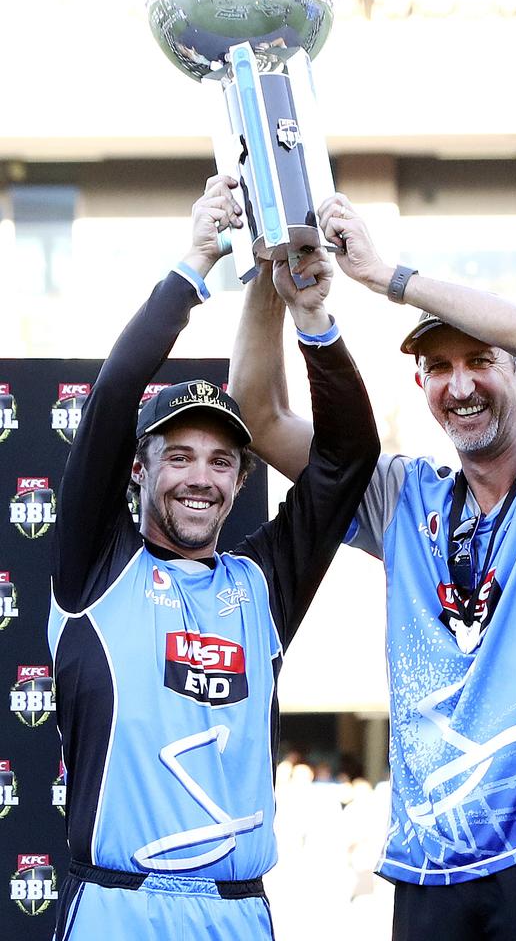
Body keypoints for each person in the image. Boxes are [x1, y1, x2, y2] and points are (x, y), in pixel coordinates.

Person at [228, 193, 516, 940]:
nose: (459, 385)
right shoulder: (404, 498)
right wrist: (270, 277)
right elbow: (255, 417)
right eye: (439, 367)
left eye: (480, 359)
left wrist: (386, 277)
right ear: (419, 387)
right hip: (432, 865)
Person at [48, 176, 379, 940]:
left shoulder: (260, 586)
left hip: (235, 914)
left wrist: (313, 316)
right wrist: (195, 263)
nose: (201, 477)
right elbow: (113, 399)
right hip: (117, 908)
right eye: (181, 456)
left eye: (223, 462)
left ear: (239, 481)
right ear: (141, 468)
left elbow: (346, 459)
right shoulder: (96, 568)